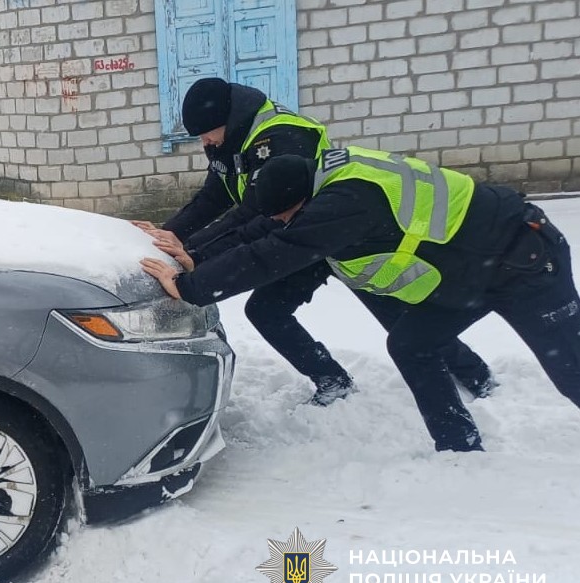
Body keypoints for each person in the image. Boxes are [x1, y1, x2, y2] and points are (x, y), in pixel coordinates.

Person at [142, 147, 580, 452]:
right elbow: (268, 231)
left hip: (525, 259)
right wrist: (196, 257)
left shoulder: (345, 202)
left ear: (301, 201)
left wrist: (191, 289)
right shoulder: (322, 180)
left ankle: (463, 433)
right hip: (467, 272)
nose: (280, 221)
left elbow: (271, 254)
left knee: (570, 370)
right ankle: (458, 447)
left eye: (285, 214)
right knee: (411, 343)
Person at [134, 77, 493, 406]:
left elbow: (258, 212)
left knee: (394, 315)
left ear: (227, 118)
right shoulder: (230, 140)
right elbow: (213, 197)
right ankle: (333, 381)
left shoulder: (283, 136)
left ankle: (476, 376)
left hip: (330, 234)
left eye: (206, 134)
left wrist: (199, 256)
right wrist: (173, 234)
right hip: (292, 237)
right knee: (267, 311)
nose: (204, 143)